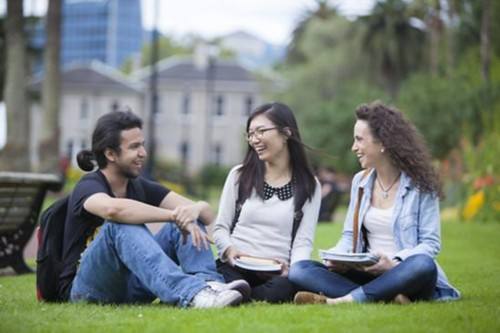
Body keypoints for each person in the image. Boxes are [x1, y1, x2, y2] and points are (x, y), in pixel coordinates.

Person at [60, 110, 249, 308]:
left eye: (142, 144)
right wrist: (173, 215)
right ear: (110, 154)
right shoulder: (88, 186)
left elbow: (207, 215)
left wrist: (195, 209)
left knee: (188, 218)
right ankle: (194, 295)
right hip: (88, 289)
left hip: (131, 286)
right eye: (134, 147)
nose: (143, 153)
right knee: (119, 225)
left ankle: (208, 285)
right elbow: (113, 210)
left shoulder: (139, 185)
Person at [290, 101, 460, 305]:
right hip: (366, 271)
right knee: (300, 269)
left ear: (383, 143)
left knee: (423, 264)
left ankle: (343, 300)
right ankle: (385, 296)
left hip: (404, 272)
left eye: (359, 140)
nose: (354, 147)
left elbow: (430, 244)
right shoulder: (359, 182)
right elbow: (349, 236)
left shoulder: (421, 185)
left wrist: (394, 263)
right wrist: (338, 257)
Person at [213, 102, 321, 303]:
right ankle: (237, 292)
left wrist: (293, 269)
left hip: (276, 272)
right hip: (236, 265)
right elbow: (220, 228)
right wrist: (229, 250)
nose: (254, 140)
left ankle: (236, 296)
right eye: (250, 134)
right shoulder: (239, 175)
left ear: (286, 133)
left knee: (282, 289)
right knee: (225, 278)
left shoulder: (309, 184)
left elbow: (303, 241)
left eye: (261, 131)